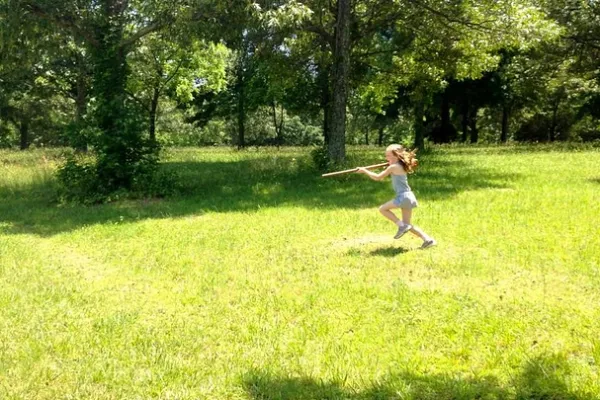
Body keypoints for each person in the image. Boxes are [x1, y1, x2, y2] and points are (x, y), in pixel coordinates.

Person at [357, 144, 436, 249]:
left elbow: (377, 177)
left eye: (388, 156)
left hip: (403, 197)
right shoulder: (400, 165)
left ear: (396, 156)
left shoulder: (393, 167)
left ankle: (401, 225)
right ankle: (428, 240)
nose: (386, 158)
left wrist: (364, 170)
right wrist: (389, 165)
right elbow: (392, 169)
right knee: (408, 225)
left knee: (382, 209)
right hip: (409, 196)